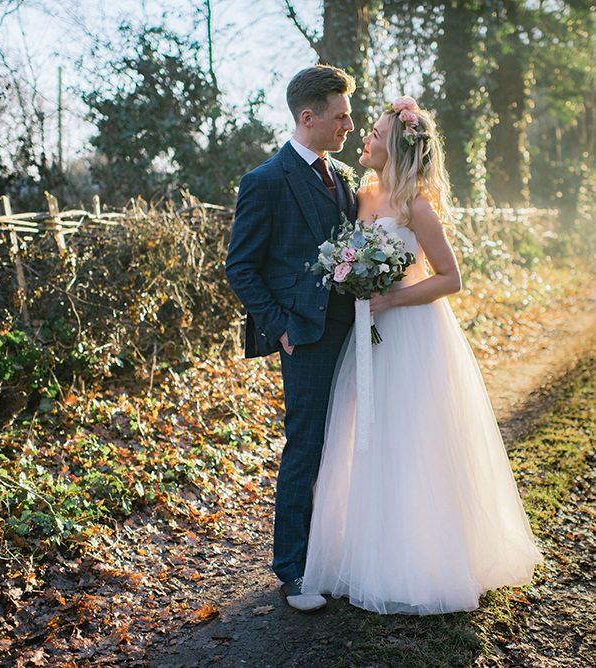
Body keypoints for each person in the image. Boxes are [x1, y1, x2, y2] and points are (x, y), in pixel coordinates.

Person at [301, 96, 543, 614]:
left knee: (411, 439)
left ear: (397, 148)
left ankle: (422, 560)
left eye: (375, 134)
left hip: (412, 332)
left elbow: (450, 278)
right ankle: (368, 553)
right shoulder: (361, 195)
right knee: (364, 438)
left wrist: (390, 297)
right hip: (366, 335)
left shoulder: (418, 205)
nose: (365, 137)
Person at [225, 65, 358, 611]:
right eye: (340, 115)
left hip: (359, 333)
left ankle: (340, 554)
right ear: (309, 117)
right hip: (304, 337)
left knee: (351, 444)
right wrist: (279, 327)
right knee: (306, 446)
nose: (348, 124)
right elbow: (241, 268)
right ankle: (294, 571)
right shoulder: (265, 181)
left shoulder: (344, 177)